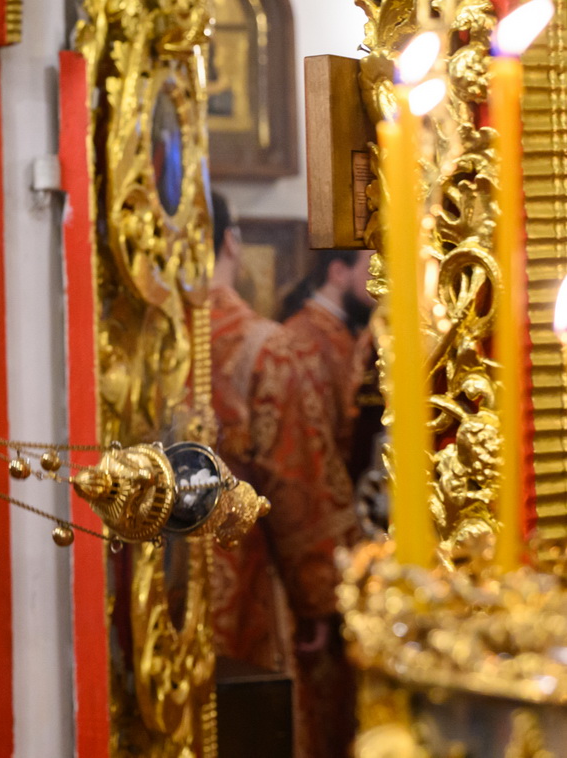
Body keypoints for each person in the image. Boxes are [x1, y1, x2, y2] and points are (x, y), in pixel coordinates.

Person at [205, 192, 359, 758]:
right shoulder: (266, 349)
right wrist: (322, 600)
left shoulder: (132, 348)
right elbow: (300, 490)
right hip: (246, 583)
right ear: (231, 242)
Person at [280, 250, 376, 478]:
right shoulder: (302, 336)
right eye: (373, 271)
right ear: (339, 272)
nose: (381, 286)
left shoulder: (344, 330)